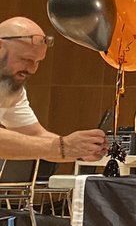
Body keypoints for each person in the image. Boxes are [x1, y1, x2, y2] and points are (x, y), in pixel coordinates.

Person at [0, 16, 107, 162]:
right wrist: (63, 147)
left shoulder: (10, 88)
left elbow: (35, 136)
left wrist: (79, 150)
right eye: (26, 60)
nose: (32, 70)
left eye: (38, 62)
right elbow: (51, 145)